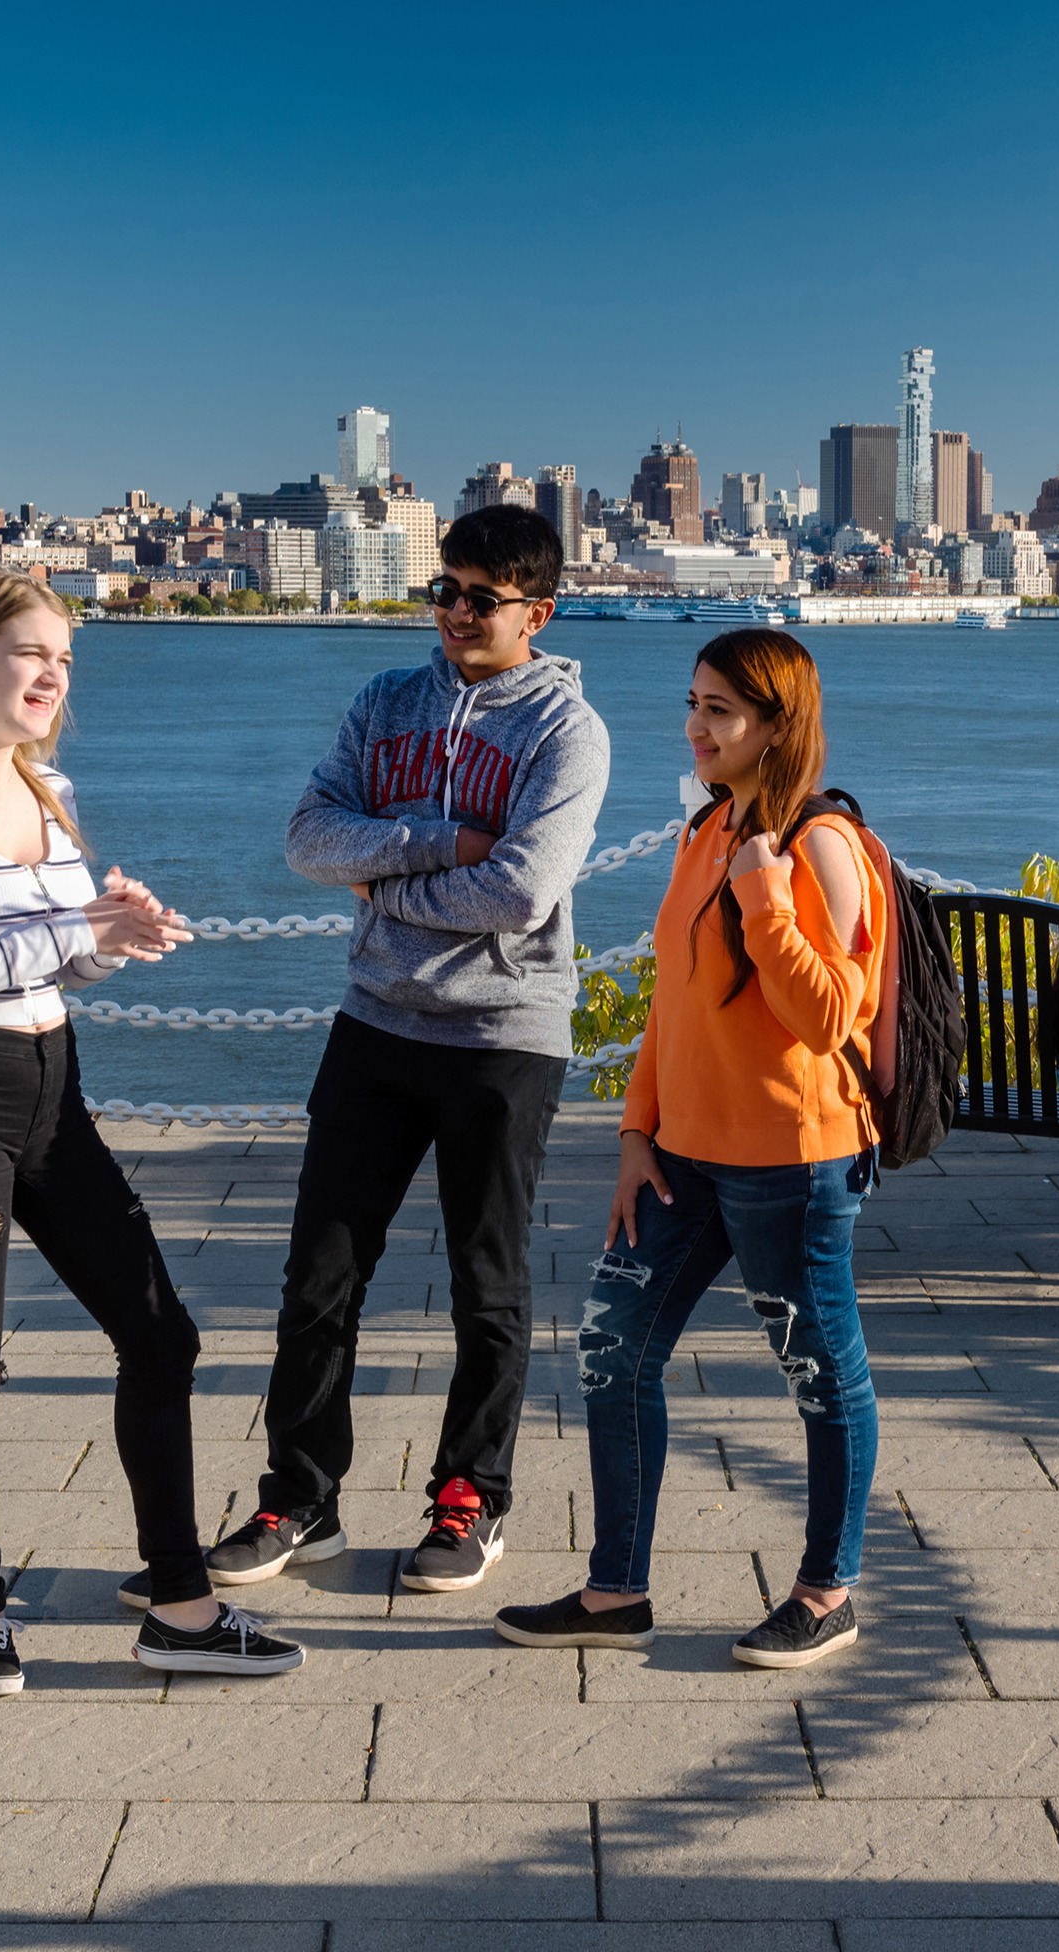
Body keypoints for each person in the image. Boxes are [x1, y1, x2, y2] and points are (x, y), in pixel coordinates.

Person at [0, 566, 303, 1693]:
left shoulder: (46, 788)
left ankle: (182, 1609)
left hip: (54, 1084)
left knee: (162, 1335)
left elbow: (58, 960)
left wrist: (112, 938)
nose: (52, 675)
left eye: (64, 659)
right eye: (30, 653)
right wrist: (68, 931)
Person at [217, 504, 612, 1596]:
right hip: (375, 1023)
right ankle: (300, 1494)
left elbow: (525, 888)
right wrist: (438, 847)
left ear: (539, 610)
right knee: (319, 1276)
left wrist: (384, 876)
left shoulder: (566, 732)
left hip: (503, 1036)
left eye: (479, 597)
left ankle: (471, 1497)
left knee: (489, 1283)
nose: (452, 612)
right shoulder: (385, 700)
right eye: (443, 589)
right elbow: (308, 837)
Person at [495, 628, 885, 1670]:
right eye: (694, 703)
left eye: (720, 709)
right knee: (613, 1349)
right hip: (683, 1154)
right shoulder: (706, 830)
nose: (696, 725)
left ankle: (827, 1588)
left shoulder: (823, 843)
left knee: (816, 1369)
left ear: (776, 722)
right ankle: (615, 1586)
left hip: (792, 1160)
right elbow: (672, 1005)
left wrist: (766, 895)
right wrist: (634, 1133)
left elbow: (834, 1013)